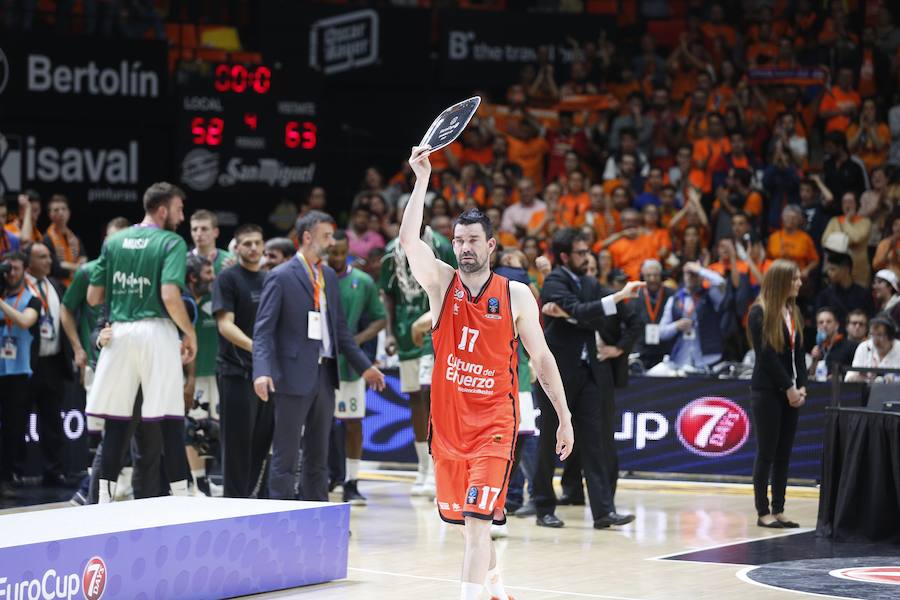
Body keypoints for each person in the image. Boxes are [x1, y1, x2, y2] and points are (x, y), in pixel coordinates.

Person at [400, 145, 574, 600]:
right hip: (448, 430)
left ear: (491, 245)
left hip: (494, 426)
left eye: (473, 240)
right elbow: (408, 244)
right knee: (465, 526)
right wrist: (421, 181)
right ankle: (496, 589)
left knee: (478, 524)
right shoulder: (440, 284)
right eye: (458, 240)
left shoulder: (515, 295)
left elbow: (542, 360)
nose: (464, 248)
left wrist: (565, 416)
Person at [252, 211, 385, 501]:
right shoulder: (281, 276)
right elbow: (263, 331)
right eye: (325, 235)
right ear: (308, 237)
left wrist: (365, 368)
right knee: (286, 455)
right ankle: (282, 518)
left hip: (325, 375)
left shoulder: (327, 276)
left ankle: (317, 519)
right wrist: (262, 371)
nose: (331, 241)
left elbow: (341, 332)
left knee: (319, 455)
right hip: (291, 375)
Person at [85, 182, 197, 502]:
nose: (181, 215)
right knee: (170, 421)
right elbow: (169, 296)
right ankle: (180, 501)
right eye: (179, 209)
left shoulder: (114, 241)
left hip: (119, 332)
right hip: (155, 330)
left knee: (116, 424)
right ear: (163, 210)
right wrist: (189, 333)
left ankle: (103, 504)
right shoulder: (171, 242)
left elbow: (94, 297)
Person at [533, 228, 643, 530]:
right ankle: (543, 506)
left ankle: (604, 510)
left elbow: (596, 316)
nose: (588, 256)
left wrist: (570, 314)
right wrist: (609, 300)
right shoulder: (555, 280)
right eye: (581, 252)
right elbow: (585, 310)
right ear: (566, 256)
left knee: (595, 442)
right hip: (555, 374)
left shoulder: (591, 282)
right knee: (549, 441)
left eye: (588, 251)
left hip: (588, 373)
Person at [380, 214, 456, 497]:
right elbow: (387, 294)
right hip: (404, 331)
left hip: (436, 330)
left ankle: (439, 469)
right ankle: (423, 468)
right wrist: (388, 333)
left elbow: (452, 285)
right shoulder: (391, 250)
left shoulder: (442, 245)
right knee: (415, 399)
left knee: (436, 398)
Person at [212, 223, 273, 498]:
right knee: (236, 445)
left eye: (257, 243)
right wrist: (257, 348)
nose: (252, 248)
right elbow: (225, 325)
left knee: (262, 442)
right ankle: (233, 504)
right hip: (235, 372)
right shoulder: (227, 279)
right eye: (246, 243)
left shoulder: (270, 279)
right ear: (236, 248)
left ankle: (253, 500)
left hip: (267, 373)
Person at [326, 230, 386, 505]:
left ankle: (351, 481)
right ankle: (325, 477)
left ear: (348, 249)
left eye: (341, 252)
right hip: (321, 367)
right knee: (320, 425)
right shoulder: (316, 279)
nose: (336, 258)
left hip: (351, 367)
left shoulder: (362, 282)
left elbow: (379, 319)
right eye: (332, 253)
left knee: (352, 424)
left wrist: (355, 342)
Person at [748, 259, 807, 529]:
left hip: (791, 390)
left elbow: (798, 354)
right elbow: (767, 357)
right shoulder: (758, 312)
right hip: (768, 391)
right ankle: (763, 511)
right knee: (767, 452)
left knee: (784, 453)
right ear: (781, 281)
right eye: (795, 278)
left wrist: (802, 384)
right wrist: (789, 387)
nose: (799, 283)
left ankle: (779, 508)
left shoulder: (792, 311)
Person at [24, 241, 72, 486]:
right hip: (27, 363)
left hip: (53, 362)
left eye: (48, 257)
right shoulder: (20, 285)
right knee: (18, 421)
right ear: (29, 262)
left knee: (53, 420)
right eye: (42, 257)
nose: (48, 261)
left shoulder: (54, 285)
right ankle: (14, 472)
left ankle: (53, 470)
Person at [0, 251, 41, 498]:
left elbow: (26, 322)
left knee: (13, 429)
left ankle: (6, 478)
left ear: (25, 270)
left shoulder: (32, 299)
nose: (11, 273)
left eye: (16, 269)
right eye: (7, 269)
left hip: (18, 373)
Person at [181, 254, 218, 496]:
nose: (213, 277)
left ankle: (203, 480)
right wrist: (190, 380)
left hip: (215, 372)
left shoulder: (215, 296)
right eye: (208, 273)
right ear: (193, 277)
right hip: (190, 376)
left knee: (207, 429)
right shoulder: (181, 302)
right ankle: (198, 482)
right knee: (192, 428)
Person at [658, 262, 730, 369]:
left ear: (701, 277)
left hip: (707, 357)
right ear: (683, 275)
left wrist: (700, 270)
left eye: (694, 274)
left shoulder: (710, 296)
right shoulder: (674, 299)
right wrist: (676, 326)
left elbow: (720, 282)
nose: (691, 277)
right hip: (680, 358)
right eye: (688, 273)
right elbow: (661, 333)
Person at [633, 259, 675, 369]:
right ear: (643, 276)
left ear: (661, 276)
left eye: (655, 275)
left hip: (666, 352)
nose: (652, 279)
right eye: (648, 275)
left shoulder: (672, 295)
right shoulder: (635, 296)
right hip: (642, 352)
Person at [815, 251, 875, 324]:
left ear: (846, 269)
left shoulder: (863, 295)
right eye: (828, 270)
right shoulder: (824, 296)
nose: (829, 273)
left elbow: (870, 319)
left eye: (833, 269)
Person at [43, 194, 86, 287]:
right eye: (56, 210)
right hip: (56, 286)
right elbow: (55, 268)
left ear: (69, 212)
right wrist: (77, 267)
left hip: (76, 285)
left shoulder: (75, 238)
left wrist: (66, 265)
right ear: (50, 214)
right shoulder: (46, 238)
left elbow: (84, 260)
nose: (61, 213)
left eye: (64, 209)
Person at [845, 316, 900, 383]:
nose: (875, 341)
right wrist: (858, 378)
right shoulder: (864, 347)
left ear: (890, 336)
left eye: (880, 335)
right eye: (872, 335)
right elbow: (849, 376)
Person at [808, 307, 857, 380]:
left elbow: (856, 373)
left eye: (828, 322)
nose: (824, 325)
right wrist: (814, 360)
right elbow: (811, 375)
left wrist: (839, 377)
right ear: (817, 326)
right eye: (821, 322)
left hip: (842, 389)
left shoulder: (850, 346)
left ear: (836, 325)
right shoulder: (819, 348)